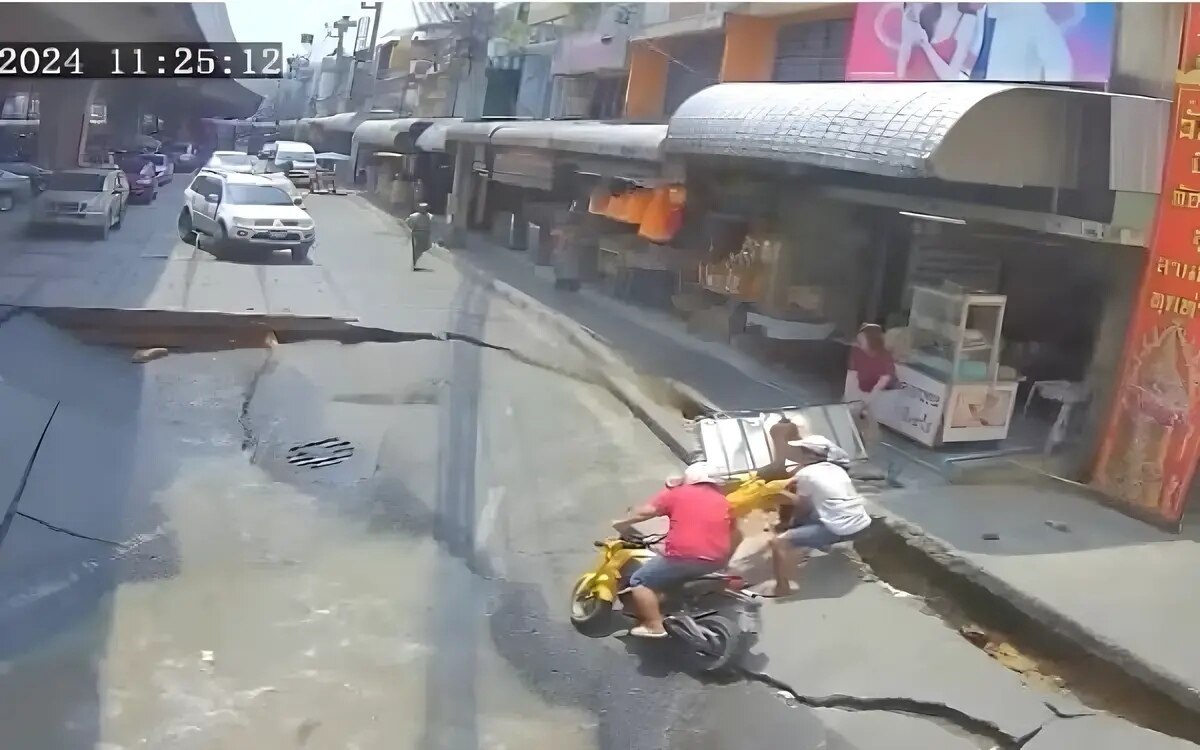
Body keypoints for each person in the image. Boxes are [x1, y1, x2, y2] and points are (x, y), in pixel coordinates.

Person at [612, 461, 733, 638]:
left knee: (640, 581)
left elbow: (647, 511)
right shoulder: (724, 501)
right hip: (717, 560)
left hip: (685, 557)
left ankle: (654, 625)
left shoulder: (679, 493)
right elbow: (734, 531)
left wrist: (622, 523)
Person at [768, 435, 872, 598]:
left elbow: (802, 507)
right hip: (863, 524)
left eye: (801, 451)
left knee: (778, 542)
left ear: (808, 454)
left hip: (838, 529)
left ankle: (782, 588)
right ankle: (818, 543)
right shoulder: (837, 469)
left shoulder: (806, 473)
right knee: (814, 511)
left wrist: (786, 508)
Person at [897, 3, 984, 81]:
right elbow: (903, 55)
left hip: (937, 92)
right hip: (910, 87)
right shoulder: (916, 9)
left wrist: (926, 46)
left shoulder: (967, 19)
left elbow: (951, 77)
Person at [405, 203, 432, 270]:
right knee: (416, 250)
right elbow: (408, 223)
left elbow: (433, 226)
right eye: (422, 208)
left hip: (425, 234)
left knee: (424, 248)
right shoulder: (414, 216)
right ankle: (414, 264)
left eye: (424, 208)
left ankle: (415, 262)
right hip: (417, 234)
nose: (423, 209)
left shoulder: (430, 217)